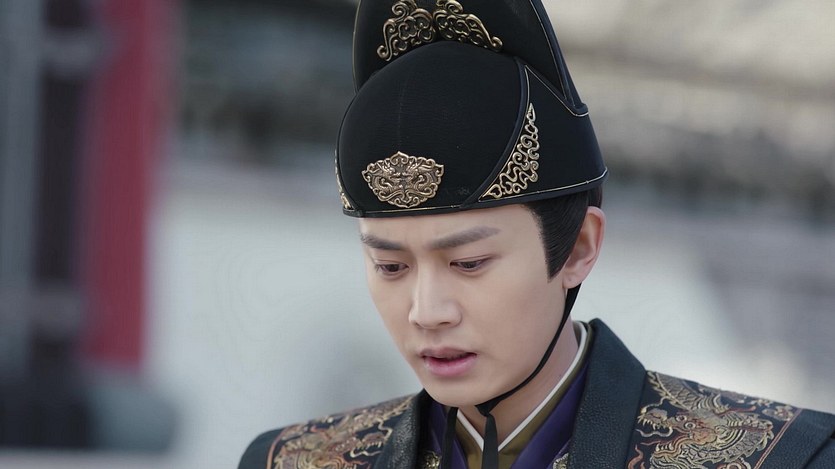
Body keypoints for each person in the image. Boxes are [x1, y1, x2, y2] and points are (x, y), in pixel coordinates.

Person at [239, 1, 835, 467]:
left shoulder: (784, 455)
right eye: (391, 266)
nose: (427, 312)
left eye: (469, 262)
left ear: (578, 247)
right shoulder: (291, 460)